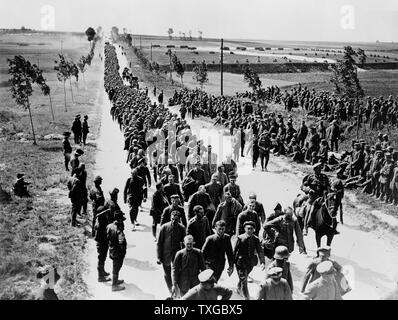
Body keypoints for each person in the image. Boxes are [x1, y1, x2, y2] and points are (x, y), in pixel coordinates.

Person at [233, 221, 265, 300]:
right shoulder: (240, 238)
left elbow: (260, 251)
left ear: (254, 229)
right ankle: (246, 298)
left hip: (250, 263)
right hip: (241, 263)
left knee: (244, 277)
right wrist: (231, 264)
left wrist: (262, 262)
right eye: (248, 228)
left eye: (251, 229)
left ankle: (238, 287)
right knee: (244, 280)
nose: (250, 230)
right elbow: (234, 251)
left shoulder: (256, 239)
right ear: (244, 229)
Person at [157, 211, 186, 294]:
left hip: (176, 254)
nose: (174, 221)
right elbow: (159, 243)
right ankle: (170, 290)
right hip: (165, 254)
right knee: (167, 272)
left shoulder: (182, 228)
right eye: (172, 219)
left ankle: (177, 286)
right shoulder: (164, 227)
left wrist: (183, 255)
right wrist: (159, 257)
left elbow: (184, 243)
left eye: (176, 220)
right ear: (170, 218)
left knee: (177, 271)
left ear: (179, 219)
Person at [301, 162, 331, 235]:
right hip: (313, 198)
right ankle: (305, 227)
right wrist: (308, 190)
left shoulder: (324, 177)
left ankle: (330, 226)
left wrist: (328, 190)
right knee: (309, 210)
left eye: (320, 169)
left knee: (330, 209)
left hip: (322, 198)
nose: (319, 171)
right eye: (317, 169)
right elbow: (303, 186)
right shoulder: (310, 177)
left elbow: (328, 186)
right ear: (314, 170)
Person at [107, 210, 127, 292]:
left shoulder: (109, 226)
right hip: (118, 252)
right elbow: (121, 241)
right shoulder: (119, 230)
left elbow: (107, 237)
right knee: (116, 267)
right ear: (119, 220)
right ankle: (114, 285)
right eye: (121, 219)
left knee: (115, 267)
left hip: (112, 249)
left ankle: (116, 280)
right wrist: (123, 251)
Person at [93, 206, 111, 282]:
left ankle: (102, 271)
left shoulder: (101, 219)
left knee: (103, 258)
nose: (107, 213)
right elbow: (102, 234)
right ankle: (100, 277)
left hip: (103, 242)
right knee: (101, 258)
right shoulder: (101, 222)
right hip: (102, 242)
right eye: (105, 212)